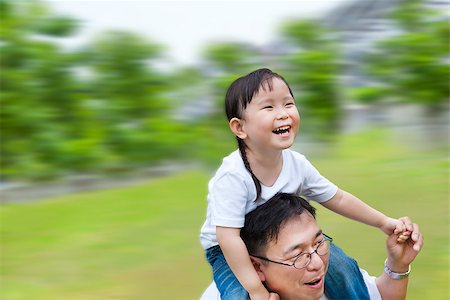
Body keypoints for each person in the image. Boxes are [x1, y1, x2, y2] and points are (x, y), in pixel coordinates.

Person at [199, 68, 420, 300]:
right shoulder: (233, 176)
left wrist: (383, 222)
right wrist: (256, 290)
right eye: (268, 107)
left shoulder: (296, 164)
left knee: (343, 269)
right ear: (239, 127)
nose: (283, 113)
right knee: (237, 296)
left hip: (288, 248)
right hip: (228, 250)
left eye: (288, 104)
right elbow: (228, 238)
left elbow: (338, 198)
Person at [201, 193, 423, 300]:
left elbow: (376, 297)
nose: (317, 263)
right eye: (297, 256)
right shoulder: (220, 296)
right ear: (257, 267)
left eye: (319, 243)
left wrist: (398, 265)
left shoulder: (335, 281)